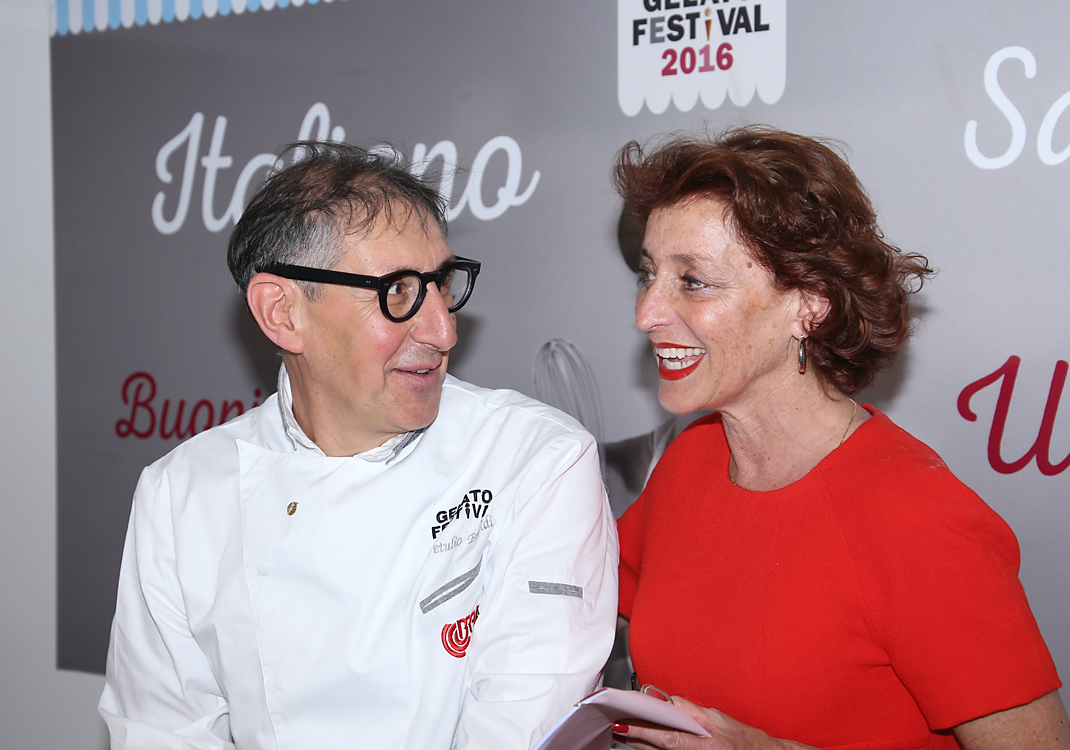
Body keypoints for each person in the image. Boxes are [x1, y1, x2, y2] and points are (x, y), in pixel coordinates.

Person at [98, 141, 618, 750]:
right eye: (398, 292)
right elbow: (161, 732)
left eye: (443, 284)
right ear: (283, 312)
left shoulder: (536, 461)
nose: (443, 329)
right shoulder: (181, 493)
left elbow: (523, 730)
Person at [610, 127, 1069, 750]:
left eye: (694, 281)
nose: (646, 313)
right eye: (648, 275)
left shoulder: (917, 520)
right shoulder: (692, 460)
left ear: (811, 304)